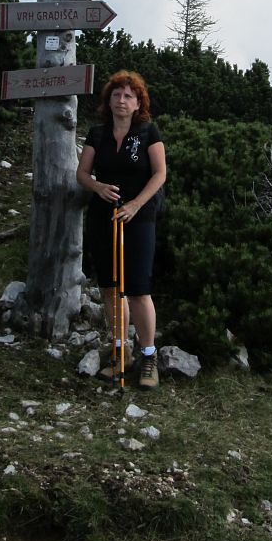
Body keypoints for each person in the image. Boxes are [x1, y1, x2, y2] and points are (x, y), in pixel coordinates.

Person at [77, 70, 166, 390]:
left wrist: (137, 204)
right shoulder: (97, 133)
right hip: (103, 216)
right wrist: (98, 187)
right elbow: (82, 173)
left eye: (129, 96)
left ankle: (148, 357)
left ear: (138, 102)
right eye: (117, 94)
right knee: (110, 287)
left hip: (138, 217)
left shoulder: (148, 131)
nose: (122, 100)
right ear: (109, 100)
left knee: (138, 288)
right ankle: (120, 352)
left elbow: (160, 174)